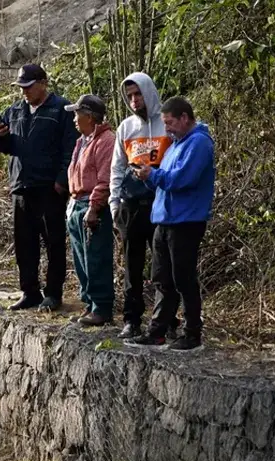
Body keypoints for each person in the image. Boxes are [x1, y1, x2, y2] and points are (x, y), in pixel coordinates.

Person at [0, 64, 78, 311]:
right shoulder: (14, 110)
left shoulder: (61, 109)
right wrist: (0, 135)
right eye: (21, 88)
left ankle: (53, 293)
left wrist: (62, 180)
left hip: (50, 187)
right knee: (24, 243)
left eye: (28, 87)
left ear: (43, 83)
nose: (24, 93)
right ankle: (29, 291)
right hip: (21, 185)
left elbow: (70, 148)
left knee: (54, 242)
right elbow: (5, 147)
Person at [129, 97, 214, 350]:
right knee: (162, 279)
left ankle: (192, 333)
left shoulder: (198, 143)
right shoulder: (176, 145)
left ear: (185, 118)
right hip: (164, 220)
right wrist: (145, 176)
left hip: (186, 221)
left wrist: (153, 174)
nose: (167, 129)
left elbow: (182, 179)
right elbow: (163, 181)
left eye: (170, 123)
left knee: (183, 279)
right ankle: (158, 330)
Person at [109, 72, 168, 339]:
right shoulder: (125, 128)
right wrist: (114, 204)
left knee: (162, 267)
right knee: (132, 267)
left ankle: (166, 319)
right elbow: (117, 168)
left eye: (138, 94)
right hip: (130, 206)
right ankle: (132, 320)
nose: (134, 100)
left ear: (148, 92)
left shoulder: (166, 125)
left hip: (161, 204)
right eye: (130, 95)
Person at [64, 94, 117, 326]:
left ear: (90, 117)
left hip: (92, 206)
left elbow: (105, 179)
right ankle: (90, 303)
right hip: (77, 203)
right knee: (81, 258)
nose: (75, 119)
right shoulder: (81, 141)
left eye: (78, 114)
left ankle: (101, 307)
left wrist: (94, 207)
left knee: (96, 257)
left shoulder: (106, 141)